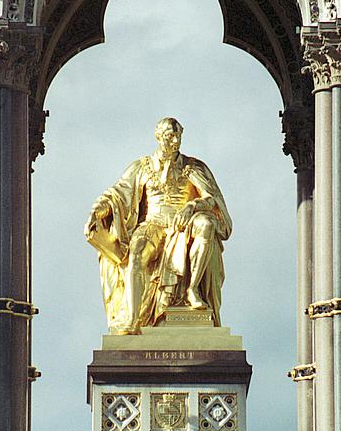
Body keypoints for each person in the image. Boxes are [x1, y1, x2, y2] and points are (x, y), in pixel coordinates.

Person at [84, 117, 232, 333]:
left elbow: (214, 200)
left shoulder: (195, 167)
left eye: (177, 136)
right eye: (169, 137)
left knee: (207, 223)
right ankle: (132, 319)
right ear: (158, 137)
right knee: (136, 254)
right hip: (152, 225)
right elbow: (117, 195)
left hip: (183, 227)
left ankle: (192, 290)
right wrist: (97, 211)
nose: (174, 142)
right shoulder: (141, 167)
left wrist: (193, 206)